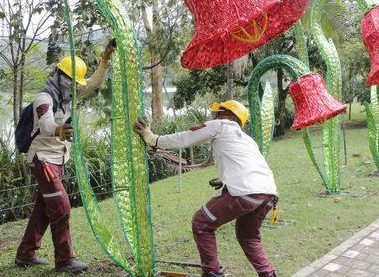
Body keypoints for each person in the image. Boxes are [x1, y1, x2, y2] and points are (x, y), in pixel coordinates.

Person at [133, 100, 278, 277]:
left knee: (202, 223)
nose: (216, 116)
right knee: (248, 236)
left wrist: (152, 138)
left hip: (244, 190)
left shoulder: (222, 125)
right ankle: (268, 274)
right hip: (268, 194)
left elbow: (186, 137)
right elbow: (246, 164)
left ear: (232, 117)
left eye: (220, 113)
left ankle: (211, 272)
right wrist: (225, 180)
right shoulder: (247, 139)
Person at [15, 40, 116, 273]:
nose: (75, 87)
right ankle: (64, 260)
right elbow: (46, 121)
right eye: (72, 82)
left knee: (43, 209)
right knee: (61, 208)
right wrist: (59, 130)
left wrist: (104, 60)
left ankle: (25, 253)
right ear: (61, 78)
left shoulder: (69, 94)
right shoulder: (45, 98)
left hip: (57, 161)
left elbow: (94, 82)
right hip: (43, 160)